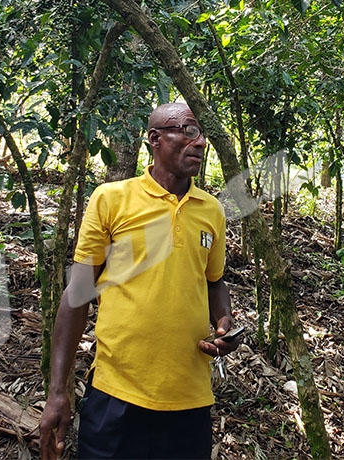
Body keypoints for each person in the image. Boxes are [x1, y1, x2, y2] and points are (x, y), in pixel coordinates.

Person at [39, 103, 240, 460]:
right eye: (189, 131)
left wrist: (223, 321)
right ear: (155, 139)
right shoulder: (112, 199)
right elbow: (77, 294)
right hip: (116, 396)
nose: (200, 143)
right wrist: (58, 392)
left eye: (202, 134)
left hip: (189, 401)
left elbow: (214, 281)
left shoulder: (212, 210)